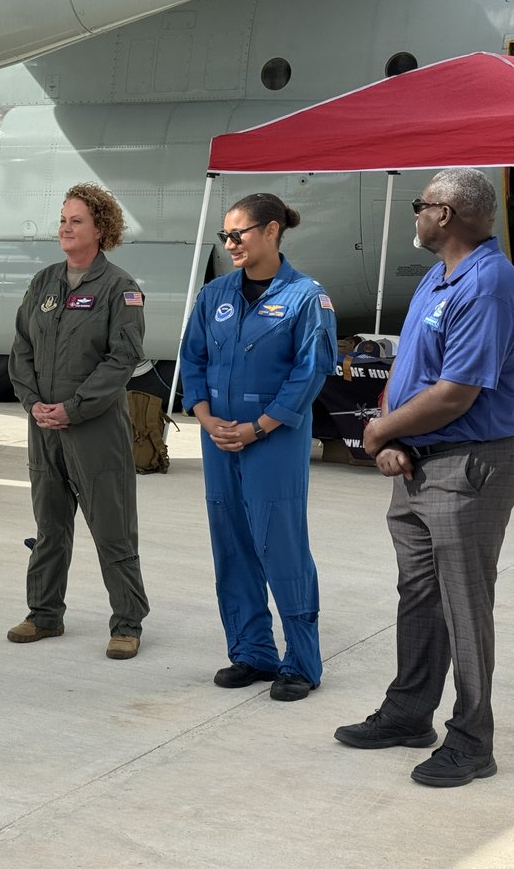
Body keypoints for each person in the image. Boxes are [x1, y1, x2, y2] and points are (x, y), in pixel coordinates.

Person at [334, 168, 514, 788]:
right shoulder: (436, 276)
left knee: (464, 604)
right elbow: (410, 367)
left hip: (469, 464)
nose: (415, 215)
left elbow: (456, 394)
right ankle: (408, 713)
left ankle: (473, 741)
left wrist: (379, 433)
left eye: (421, 206)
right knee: (419, 594)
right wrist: (391, 432)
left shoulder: (489, 284)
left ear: (444, 214)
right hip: (420, 461)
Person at [180, 193, 337, 701]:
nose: (230, 245)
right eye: (225, 236)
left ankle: (301, 662)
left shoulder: (306, 298)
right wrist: (205, 418)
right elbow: (194, 360)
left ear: (271, 232)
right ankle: (251, 651)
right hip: (219, 438)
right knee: (232, 544)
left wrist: (258, 428)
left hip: (272, 440)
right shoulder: (215, 295)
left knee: (281, 546)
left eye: (238, 234)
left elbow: (308, 373)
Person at [6, 183, 150, 660]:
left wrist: (75, 407)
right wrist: (34, 404)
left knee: (112, 526)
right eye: (63, 220)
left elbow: (122, 358)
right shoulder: (44, 283)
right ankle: (44, 613)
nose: (66, 228)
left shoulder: (119, 289)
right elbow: (22, 348)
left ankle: (127, 621)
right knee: (49, 524)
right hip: (44, 426)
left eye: (77, 221)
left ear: (101, 230)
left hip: (93, 428)